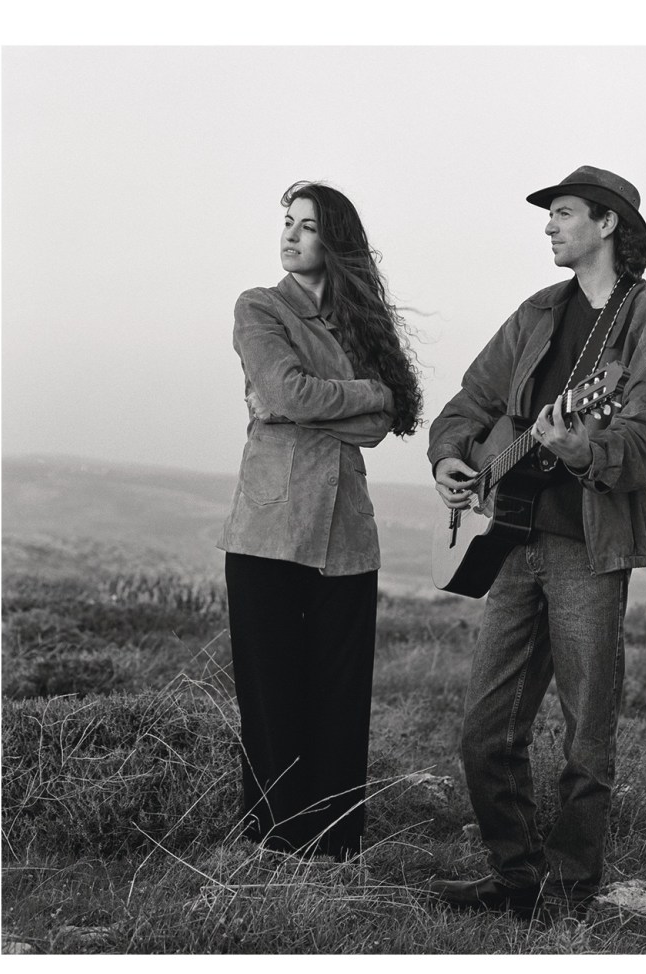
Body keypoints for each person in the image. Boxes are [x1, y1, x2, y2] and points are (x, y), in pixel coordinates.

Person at [427, 165, 646, 914]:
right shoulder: (537, 312)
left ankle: (571, 890)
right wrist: (453, 457)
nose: (549, 224)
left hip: (586, 549)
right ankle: (514, 875)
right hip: (511, 544)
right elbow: (470, 402)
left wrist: (579, 447)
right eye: (550, 215)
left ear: (607, 224)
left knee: (587, 737)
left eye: (564, 213)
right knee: (484, 733)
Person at [218, 181, 422, 859]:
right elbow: (284, 390)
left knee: (339, 696)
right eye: (287, 222)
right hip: (270, 530)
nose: (290, 235)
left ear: (334, 241)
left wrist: (311, 405)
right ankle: (276, 843)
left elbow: (383, 421)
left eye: (307, 226)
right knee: (273, 695)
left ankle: (335, 844)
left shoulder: (362, 322)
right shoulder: (260, 308)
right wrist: (360, 394)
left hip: (348, 537)